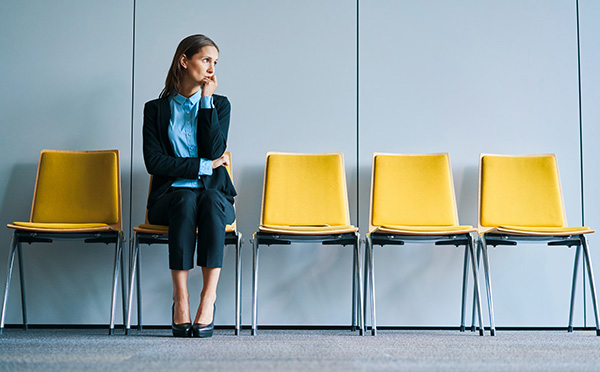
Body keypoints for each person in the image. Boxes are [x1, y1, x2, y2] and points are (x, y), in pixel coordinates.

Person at [142, 34, 236, 338]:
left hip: (213, 196)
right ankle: (180, 298)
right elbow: (154, 163)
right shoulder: (155, 110)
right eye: (206, 60)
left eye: (215, 63)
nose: (212, 68)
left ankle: (208, 298)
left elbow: (214, 148)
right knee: (184, 199)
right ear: (185, 60)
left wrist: (206, 102)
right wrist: (204, 166)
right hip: (170, 198)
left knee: (208, 199)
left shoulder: (219, 105)